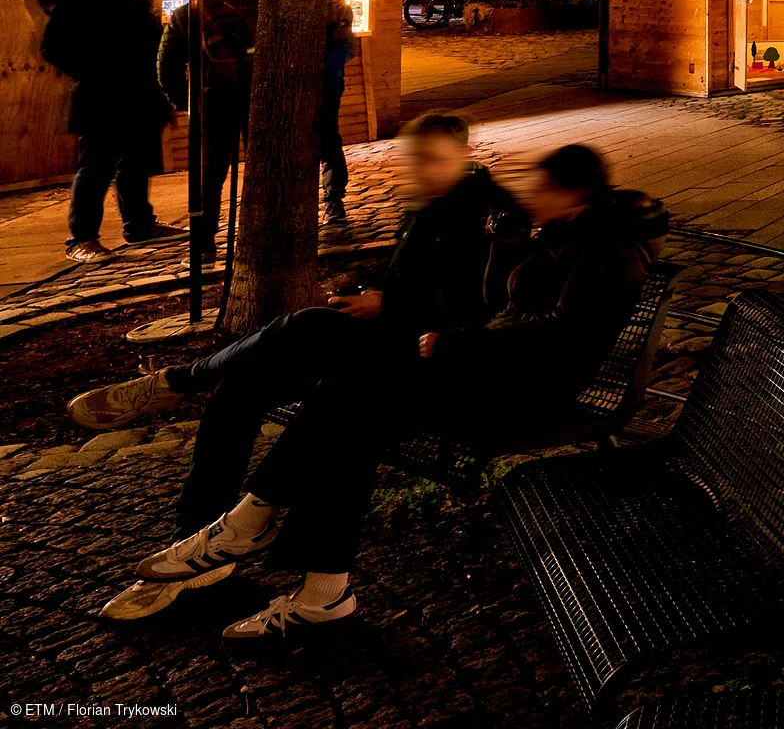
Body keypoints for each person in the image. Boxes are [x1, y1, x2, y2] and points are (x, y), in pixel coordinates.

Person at [84, 142, 661, 638]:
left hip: (520, 393)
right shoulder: (554, 231)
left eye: (539, 186)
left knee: (351, 397)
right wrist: (507, 244)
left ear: (575, 193)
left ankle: (261, 532)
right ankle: (293, 564)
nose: (523, 193)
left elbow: (561, 340)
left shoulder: (610, 251)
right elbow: (498, 305)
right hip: (482, 368)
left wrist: (456, 344)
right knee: (326, 363)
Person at [70, 112, 513, 621]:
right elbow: (404, 277)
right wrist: (365, 285)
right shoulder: (430, 209)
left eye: (434, 159)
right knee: (239, 388)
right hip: (376, 343)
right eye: (414, 159)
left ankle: (180, 383)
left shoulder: (490, 216)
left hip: (414, 359)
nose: (421, 170)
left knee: (315, 341)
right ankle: (196, 547)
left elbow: (478, 312)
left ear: (463, 156)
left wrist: (388, 303)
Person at [43, 0, 180, 262]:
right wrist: (97, 73)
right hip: (102, 98)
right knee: (95, 169)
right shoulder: (80, 0)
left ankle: (139, 226)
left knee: (135, 164)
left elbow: (149, 50)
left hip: (140, 97)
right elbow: (53, 48)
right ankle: (81, 239)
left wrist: (162, 95)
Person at [157, 0, 259, 261]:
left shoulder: (190, 11)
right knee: (267, 170)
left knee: (209, 176)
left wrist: (188, 101)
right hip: (259, 100)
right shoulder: (271, 5)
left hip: (212, 99)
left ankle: (202, 245)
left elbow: (166, 66)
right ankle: (262, 238)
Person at [320, 0, 357, 227]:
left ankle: (333, 201)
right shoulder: (341, 10)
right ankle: (334, 201)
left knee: (328, 139)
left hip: (320, 82)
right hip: (330, 83)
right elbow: (350, 50)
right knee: (329, 139)